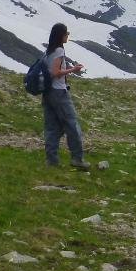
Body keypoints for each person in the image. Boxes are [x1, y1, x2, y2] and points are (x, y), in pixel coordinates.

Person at [42, 23, 90, 170]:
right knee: (72, 124)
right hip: (59, 92)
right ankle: (77, 158)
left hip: (47, 92)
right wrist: (73, 69)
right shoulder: (59, 51)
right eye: (66, 33)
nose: (68, 36)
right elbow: (55, 73)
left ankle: (51, 160)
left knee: (52, 127)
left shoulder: (48, 52)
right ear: (61, 35)